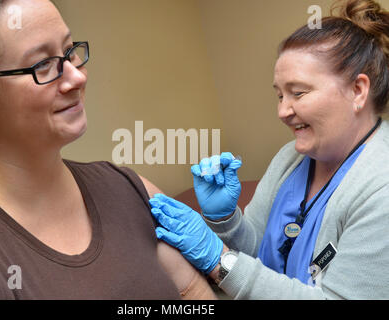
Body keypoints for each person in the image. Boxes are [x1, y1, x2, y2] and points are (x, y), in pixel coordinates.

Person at [0, 0, 216, 299]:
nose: (77, 77)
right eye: (42, 65)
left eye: (69, 51)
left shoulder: (126, 188)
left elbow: (193, 294)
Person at [150, 0, 389, 299]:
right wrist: (226, 220)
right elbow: (258, 252)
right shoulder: (291, 158)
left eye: (298, 93)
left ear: (358, 90)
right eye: (279, 95)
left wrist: (219, 262)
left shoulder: (381, 189)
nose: (282, 111)